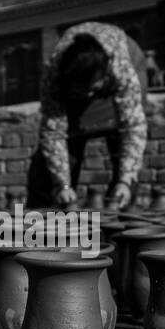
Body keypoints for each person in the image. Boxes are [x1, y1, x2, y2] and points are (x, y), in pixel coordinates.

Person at [28, 22, 147, 209]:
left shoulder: (120, 69)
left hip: (122, 72)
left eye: (92, 89)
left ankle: (120, 206)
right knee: (46, 172)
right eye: (82, 92)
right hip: (70, 91)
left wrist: (125, 180)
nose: (89, 97)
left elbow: (132, 127)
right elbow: (53, 132)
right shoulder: (53, 75)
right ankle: (48, 218)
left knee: (122, 151)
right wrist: (63, 185)